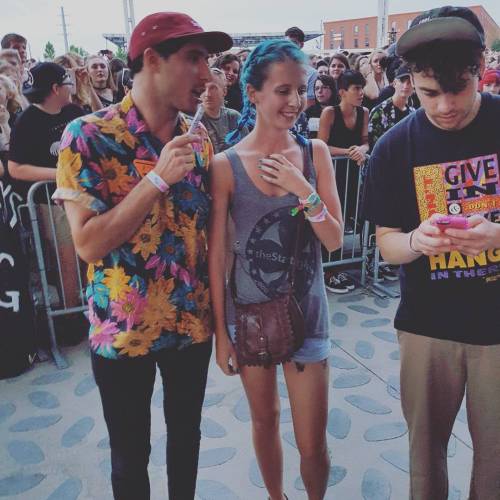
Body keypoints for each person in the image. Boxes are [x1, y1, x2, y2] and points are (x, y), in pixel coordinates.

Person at [54, 12, 232, 500]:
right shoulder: (86, 136)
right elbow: (87, 243)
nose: (207, 74)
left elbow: (210, 238)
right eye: (194, 58)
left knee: (187, 445)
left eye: (209, 60)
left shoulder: (199, 142)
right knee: (131, 457)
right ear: (151, 59)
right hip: (123, 331)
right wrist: (155, 179)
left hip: (190, 325)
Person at [361, 7, 500, 499]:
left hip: (496, 331)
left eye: (458, 89)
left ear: (481, 66)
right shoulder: (395, 147)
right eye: (428, 93)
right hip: (426, 327)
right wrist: (418, 241)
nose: (443, 107)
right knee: (425, 458)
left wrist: (496, 236)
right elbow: (387, 244)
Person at [208, 39, 343, 500]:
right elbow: (220, 255)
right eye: (283, 90)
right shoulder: (224, 166)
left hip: (307, 314)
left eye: (300, 90)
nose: (295, 101)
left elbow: (334, 239)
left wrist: (303, 190)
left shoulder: (315, 155)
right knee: (264, 421)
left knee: (312, 443)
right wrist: (221, 333)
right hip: (248, 316)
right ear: (253, 92)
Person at [318, 70, 369, 293]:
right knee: (332, 217)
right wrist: (348, 152)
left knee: (349, 214)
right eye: (356, 89)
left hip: (353, 173)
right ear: (342, 92)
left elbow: (366, 141)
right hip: (331, 174)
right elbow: (321, 146)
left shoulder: (364, 112)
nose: (361, 93)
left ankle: (341, 265)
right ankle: (328, 270)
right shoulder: (330, 112)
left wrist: (361, 150)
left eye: (361, 88)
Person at [201, 67, 248, 154]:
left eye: (213, 88)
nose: (207, 94)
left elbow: (247, 150)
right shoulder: (193, 120)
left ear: (224, 91)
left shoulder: (234, 117)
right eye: (203, 88)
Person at [368, 64, 415, 149]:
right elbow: (372, 143)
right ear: (394, 83)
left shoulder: (413, 113)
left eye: (410, 82)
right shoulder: (379, 111)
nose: (405, 86)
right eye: (402, 81)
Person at [285, 27, 318, 108]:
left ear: (301, 45)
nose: (289, 47)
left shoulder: (311, 73)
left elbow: (310, 102)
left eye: (293, 43)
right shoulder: (275, 69)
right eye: (286, 43)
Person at [305, 74, 337, 138]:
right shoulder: (309, 112)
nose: (319, 91)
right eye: (316, 88)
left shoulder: (340, 110)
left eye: (324, 87)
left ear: (332, 89)